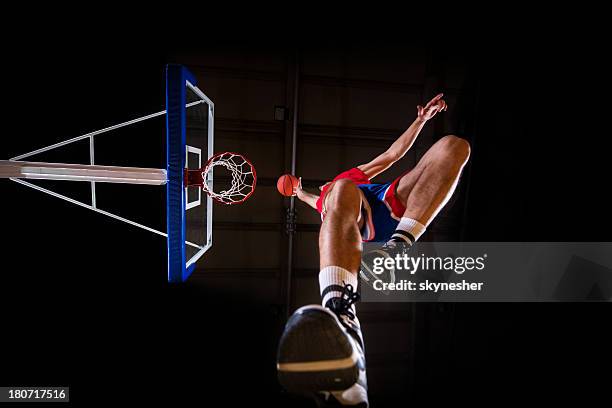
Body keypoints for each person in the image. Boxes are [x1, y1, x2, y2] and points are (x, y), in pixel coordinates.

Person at [277, 94, 470, 406]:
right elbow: (314, 200)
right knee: (338, 192)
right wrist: (300, 194)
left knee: (455, 146)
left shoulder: (347, 179)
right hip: (354, 232)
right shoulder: (330, 195)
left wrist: (421, 120)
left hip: (388, 206)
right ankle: (342, 310)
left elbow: (392, 155)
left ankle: (398, 248)